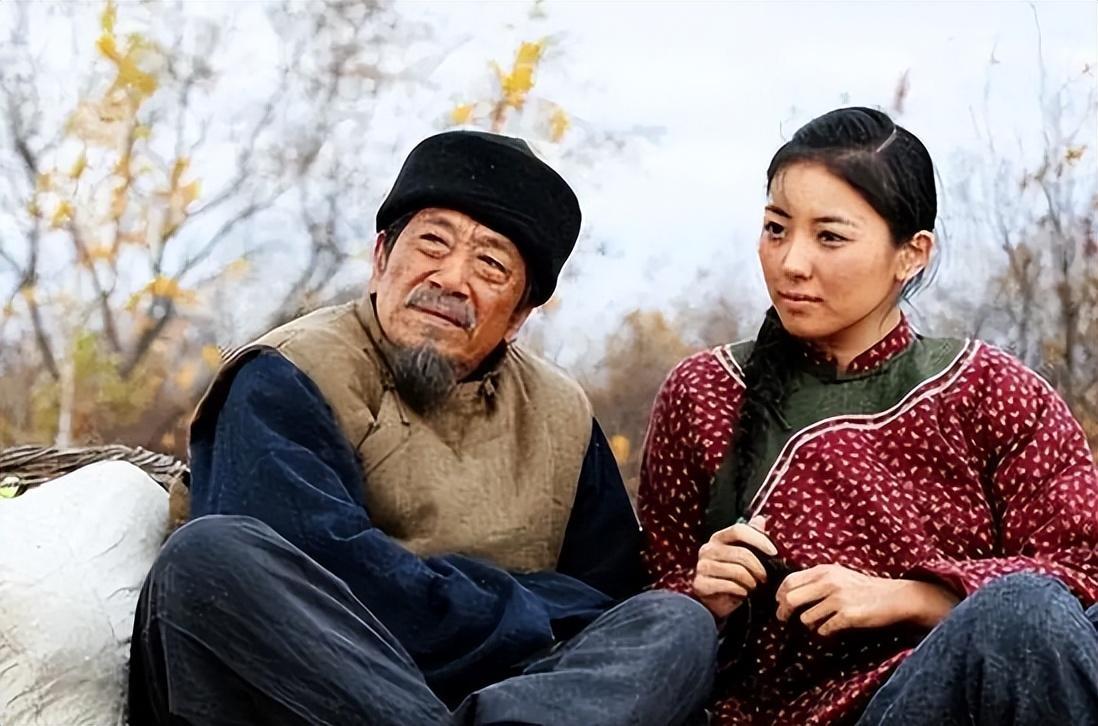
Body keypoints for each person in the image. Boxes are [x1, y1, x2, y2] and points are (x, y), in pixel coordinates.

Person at [127, 129, 716, 726]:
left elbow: (607, 603)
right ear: (381, 259)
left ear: (519, 315)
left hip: (504, 699)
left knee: (676, 623)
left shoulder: (562, 416)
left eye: (491, 264)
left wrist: (461, 604)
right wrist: (524, 605)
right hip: (314, 686)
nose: (451, 279)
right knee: (209, 556)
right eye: (432, 243)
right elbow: (327, 580)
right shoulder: (289, 372)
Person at [638, 106, 1098, 725]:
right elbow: (638, 612)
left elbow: (1078, 573)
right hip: (784, 715)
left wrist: (912, 598)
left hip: (960, 693)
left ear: (911, 253)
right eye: (776, 229)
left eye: (829, 237)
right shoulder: (704, 393)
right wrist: (701, 598)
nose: (792, 262)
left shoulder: (995, 392)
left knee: (1028, 610)